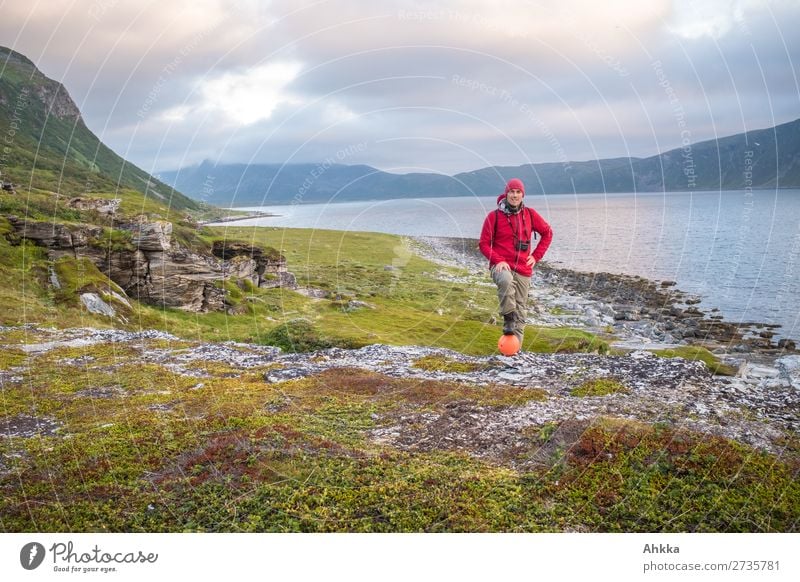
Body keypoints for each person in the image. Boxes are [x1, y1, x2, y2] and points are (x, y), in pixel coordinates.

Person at [479, 178, 553, 345]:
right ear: (506, 194)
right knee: (505, 280)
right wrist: (497, 260)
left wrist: (536, 256)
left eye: (518, 192)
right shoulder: (494, 217)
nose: (515, 195)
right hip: (500, 266)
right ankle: (508, 318)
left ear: (522, 194)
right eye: (512, 191)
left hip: (523, 269)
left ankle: (514, 351)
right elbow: (483, 244)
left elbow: (548, 233)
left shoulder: (530, 214)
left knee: (521, 312)